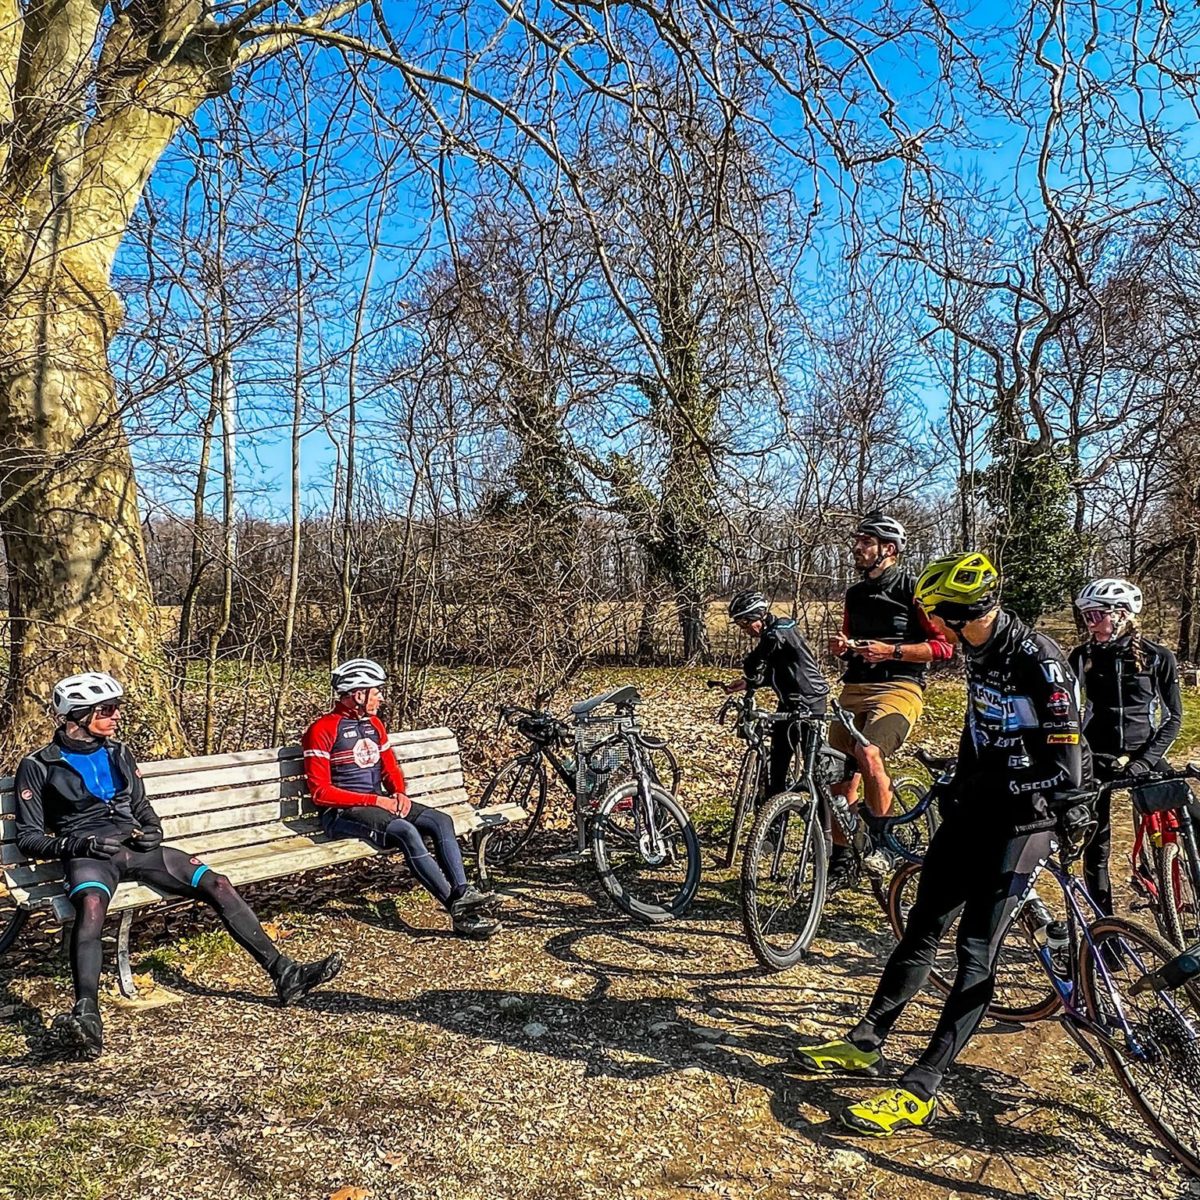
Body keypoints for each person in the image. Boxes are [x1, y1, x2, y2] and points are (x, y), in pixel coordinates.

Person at [795, 552, 1085, 1136]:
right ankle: (868, 1040)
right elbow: (982, 726)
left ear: (957, 616)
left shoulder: (1039, 662)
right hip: (974, 809)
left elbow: (1068, 770)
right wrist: (961, 777)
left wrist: (999, 785)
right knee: (922, 924)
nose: (936, 626)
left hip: (1025, 822)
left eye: (939, 616)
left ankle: (922, 1085)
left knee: (975, 950)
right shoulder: (978, 649)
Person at [15, 672, 343, 1060]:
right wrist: (78, 843)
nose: (116, 716)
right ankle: (87, 1015)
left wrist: (153, 829)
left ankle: (285, 974)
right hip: (89, 855)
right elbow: (28, 838)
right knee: (89, 910)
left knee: (217, 883)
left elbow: (141, 808)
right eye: (106, 710)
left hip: (136, 847)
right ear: (78, 714)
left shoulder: (119, 752)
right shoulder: (40, 764)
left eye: (116, 708)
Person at [302, 658, 500, 940]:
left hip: (378, 804)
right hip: (341, 813)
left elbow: (389, 767)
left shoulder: (374, 725)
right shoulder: (322, 730)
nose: (381, 697)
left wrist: (399, 793)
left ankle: (463, 893)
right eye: (376, 691)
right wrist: (377, 802)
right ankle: (459, 911)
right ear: (358, 694)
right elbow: (320, 793)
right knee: (405, 831)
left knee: (440, 821)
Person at [826, 512, 953, 889]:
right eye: (858, 541)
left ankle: (884, 843)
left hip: (899, 688)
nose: (857, 548)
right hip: (855, 687)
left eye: (866, 542)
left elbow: (944, 647)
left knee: (869, 752)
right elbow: (851, 644)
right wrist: (842, 649)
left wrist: (891, 651)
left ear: (889, 549)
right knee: (837, 774)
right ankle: (843, 858)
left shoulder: (914, 589)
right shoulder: (855, 593)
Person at [1069, 578, 1183, 916]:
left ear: (1122, 615)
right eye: (1085, 617)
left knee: (1192, 816)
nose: (1090, 625)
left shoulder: (1157, 657)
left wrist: (1146, 761)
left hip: (1145, 755)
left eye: (1095, 616)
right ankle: (1108, 932)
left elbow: (1174, 717)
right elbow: (1069, 717)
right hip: (1098, 757)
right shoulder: (1081, 657)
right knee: (1096, 846)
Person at [721, 590, 830, 797]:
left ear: (759, 616)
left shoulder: (783, 628)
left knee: (816, 772)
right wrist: (748, 682)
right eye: (739, 625)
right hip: (788, 704)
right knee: (778, 765)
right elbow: (776, 674)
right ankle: (774, 821)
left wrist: (753, 664)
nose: (743, 630)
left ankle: (826, 824)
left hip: (811, 702)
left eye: (745, 623)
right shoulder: (769, 637)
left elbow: (772, 643)